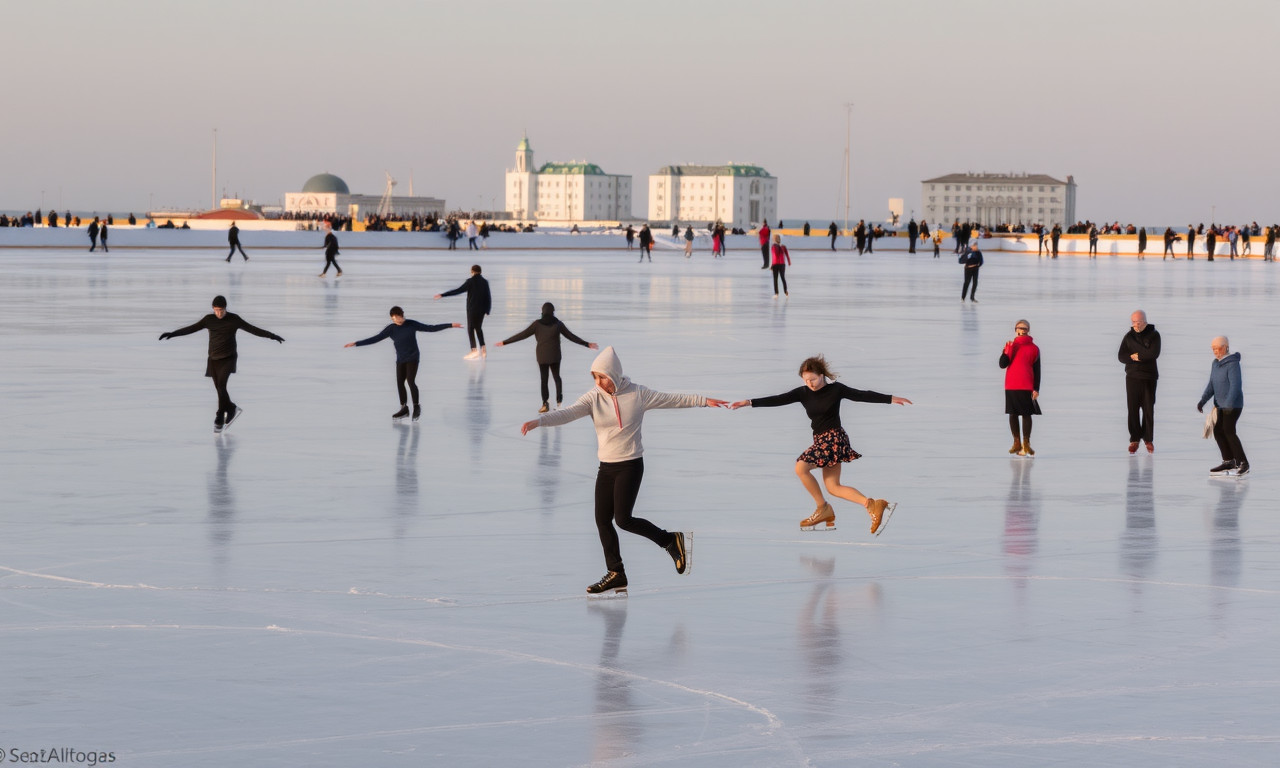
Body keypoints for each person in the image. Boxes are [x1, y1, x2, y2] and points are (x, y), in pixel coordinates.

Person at [520, 347, 728, 596]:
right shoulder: (593, 398)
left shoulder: (638, 394)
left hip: (630, 464)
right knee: (601, 519)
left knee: (623, 519)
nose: (598, 382)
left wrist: (703, 401)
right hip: (606, 467)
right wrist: (540, 421)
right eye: (595, 378)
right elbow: (568, 413)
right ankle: (616, 573)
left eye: (602, 377)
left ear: (614, 374)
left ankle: (670, 540)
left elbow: (672, 399)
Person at [728, 355, 911, 533]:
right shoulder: (803, 393)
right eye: (806, 380)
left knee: (801, 468)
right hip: (821, 441)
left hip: (833, 439)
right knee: (833, 487)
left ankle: (823, 508)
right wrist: (749, 402)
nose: (810, 384)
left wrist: (890, 398)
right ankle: (871, 504)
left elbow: (861, 395)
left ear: (821, 375)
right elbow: (778, 399)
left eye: (813, 379)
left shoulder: (836, 390)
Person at [158, 295, 284, 433]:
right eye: (216, 310)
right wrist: (173, 334)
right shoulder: (208, 320)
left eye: (222, 310)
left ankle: (220, 415)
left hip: (228, 358)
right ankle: (230, 408)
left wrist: (272, 336)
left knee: (221, 385)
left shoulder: (234, 319)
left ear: (226, 309)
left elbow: (252, 329)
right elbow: (191, 328)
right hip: (213, 359)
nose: (219, 313)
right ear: (213, 309)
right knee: (219, 388)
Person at [345, 306, 461, 422]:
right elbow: (376, 338)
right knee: (400, 383)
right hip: (401, 359)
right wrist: (356, 343)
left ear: (402, 315)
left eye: (397, 318)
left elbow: (430, 328)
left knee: (410, 381)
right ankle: (404, 408)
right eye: (393, 319)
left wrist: (450, 325)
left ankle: (416, 406)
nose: (396, 321)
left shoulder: (411, 324)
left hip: (413, 358)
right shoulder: (391, 329)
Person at [496, 302, 599, 412]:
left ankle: (545, 404)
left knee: (544, 380)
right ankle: (559, 403)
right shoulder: (558, 324)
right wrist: (586, 344)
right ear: (552, 311)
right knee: (557, 378)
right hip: (555, 356)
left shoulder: (537, 324)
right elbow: (571, 336)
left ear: (543, 311)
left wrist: (505, 342)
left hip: (542, 356)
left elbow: (522, 335)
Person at [1197, 336, 1248, 476]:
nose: (1215, 351)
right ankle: (1229, 461)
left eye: (1218, 348)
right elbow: (1211, 385)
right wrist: (1203, 400)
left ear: (1226, 347)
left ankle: (1243, 462)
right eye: (1213, 348)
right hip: (1220, 406)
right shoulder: (1215, 363)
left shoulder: (1233, 364)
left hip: (1233, 406)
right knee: (1218, 430)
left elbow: (1235, 386)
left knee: (1228, 431)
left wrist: (1229, 405)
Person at [1118, 310, 1160, 453]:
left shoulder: (1154, 335)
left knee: (1148, 409)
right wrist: (1133, 357)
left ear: (1144, 322)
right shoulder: (1129, 337)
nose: (1135, 325)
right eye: (1133, 322)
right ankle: (1134, 439)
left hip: (1149, 377)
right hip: (1132, 378)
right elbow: (1121, 356)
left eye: (1138, 322)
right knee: (1133, 409)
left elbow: (1153, 353)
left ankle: (1148, 438)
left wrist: (1137, 355)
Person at [1000, 319, 1041, 457]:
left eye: (1024, 328)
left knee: (1026, 414)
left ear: (1028, 330)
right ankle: (1017, 443)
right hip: (1011, 384)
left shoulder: (1034, 348)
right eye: (1020, 328)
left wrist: (1036, 388)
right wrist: (1007, 350)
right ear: (1016, 330)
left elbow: (1037, 370)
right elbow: (1002, 364)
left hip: (1025, 385)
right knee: (1013, 413)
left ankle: (1026, 444)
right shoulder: (1011, 346)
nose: (1022, 330)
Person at [434, 264, 491, 359]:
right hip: (482, 310)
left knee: (470, 329)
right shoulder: (485, 282)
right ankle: (483, 349)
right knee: (478, 328)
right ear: (480, 272)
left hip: (472, 309)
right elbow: (488, 297)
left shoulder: (470, 281)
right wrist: (487, 310)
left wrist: (443, 295)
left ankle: (474, 351)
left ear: (472, 271)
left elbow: (458, 290)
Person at [770, 233, 791, 297]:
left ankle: (776, 293)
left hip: (775, 264)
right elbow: (787, 255)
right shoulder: (783, 246)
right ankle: (785, 291)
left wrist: (772, 265)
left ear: (774, 239)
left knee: (775, 279)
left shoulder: (773, 246)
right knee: (782, 278)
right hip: (782, 264)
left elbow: (774, 256)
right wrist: (789, 262)